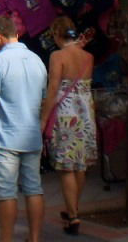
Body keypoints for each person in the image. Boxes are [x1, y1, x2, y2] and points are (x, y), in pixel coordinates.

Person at [0, 14, 47, 242]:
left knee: (6, 192)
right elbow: (44, 97)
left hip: (6, 135)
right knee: (33, 187)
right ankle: (35, 237)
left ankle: (6, 239)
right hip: (31, 134)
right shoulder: (37, 60)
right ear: (17, 34)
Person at [41, 15, 97, 235]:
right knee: (80, 165)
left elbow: (53, 88)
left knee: (66, 167)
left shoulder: (57, 56)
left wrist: (43, 118)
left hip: (66, 115)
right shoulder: (88, 57)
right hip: (85, 112)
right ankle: (72, 208)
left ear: (57, 34)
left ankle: (73, 216)